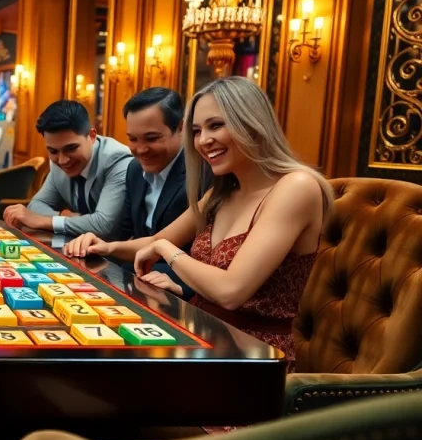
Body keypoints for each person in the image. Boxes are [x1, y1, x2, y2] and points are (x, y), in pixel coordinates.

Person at [64, 76, 333, 373]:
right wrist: (106, 246)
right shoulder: (221, 193)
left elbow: (231, 291)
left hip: (252, 361)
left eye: (216, 125)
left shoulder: (296, 186)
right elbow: (158, 239)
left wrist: (169, 253)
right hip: (199, 340)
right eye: (197, 130)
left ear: (252, 123)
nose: (203, 140)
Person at [68, 88, 194, 297]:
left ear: (180, 128)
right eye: (133, 139)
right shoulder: (134, 169)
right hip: (140, 276)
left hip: (179, 283)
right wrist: (94, 241)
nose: (140, 149)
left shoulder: (200, 174)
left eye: (152, 138)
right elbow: (121, 231)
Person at [3, 100, 131, 238]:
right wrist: (62, 216)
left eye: (71, 148)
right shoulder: (58, 163)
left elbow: (104, 225)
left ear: (92, 136)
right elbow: (36, 206)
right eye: (53, 151)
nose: (63, 160)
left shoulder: (118, 160)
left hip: (119, 256)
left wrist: (46, 221)